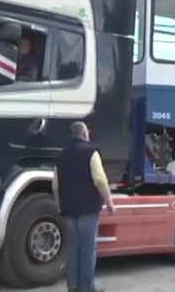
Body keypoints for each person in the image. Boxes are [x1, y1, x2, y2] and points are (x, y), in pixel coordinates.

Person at [53, 122, 114, 292]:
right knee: (88, 249)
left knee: (74, 248)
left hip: (69, 209)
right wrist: (109, 200)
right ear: (85, 134)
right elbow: (100, 180)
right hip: (88, 209)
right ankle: (87, 287)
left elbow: (56, 185)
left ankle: (73, 286)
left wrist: (60, 206)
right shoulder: (91, 152)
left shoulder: (62, 156)